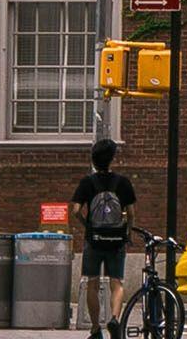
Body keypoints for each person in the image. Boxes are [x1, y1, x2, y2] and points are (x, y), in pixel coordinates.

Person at [72, 137, 138, 339]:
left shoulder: (87, 182)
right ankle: (115, 319)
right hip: (116, 240)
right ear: (111, 160)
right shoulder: (123, 182)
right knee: (116, 283)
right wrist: (127, 231)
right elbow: (131, 212)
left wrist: (87, 226)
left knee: (92, 282)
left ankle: (95, 328)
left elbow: (75, 210)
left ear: (93, 160)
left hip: (94, 239)